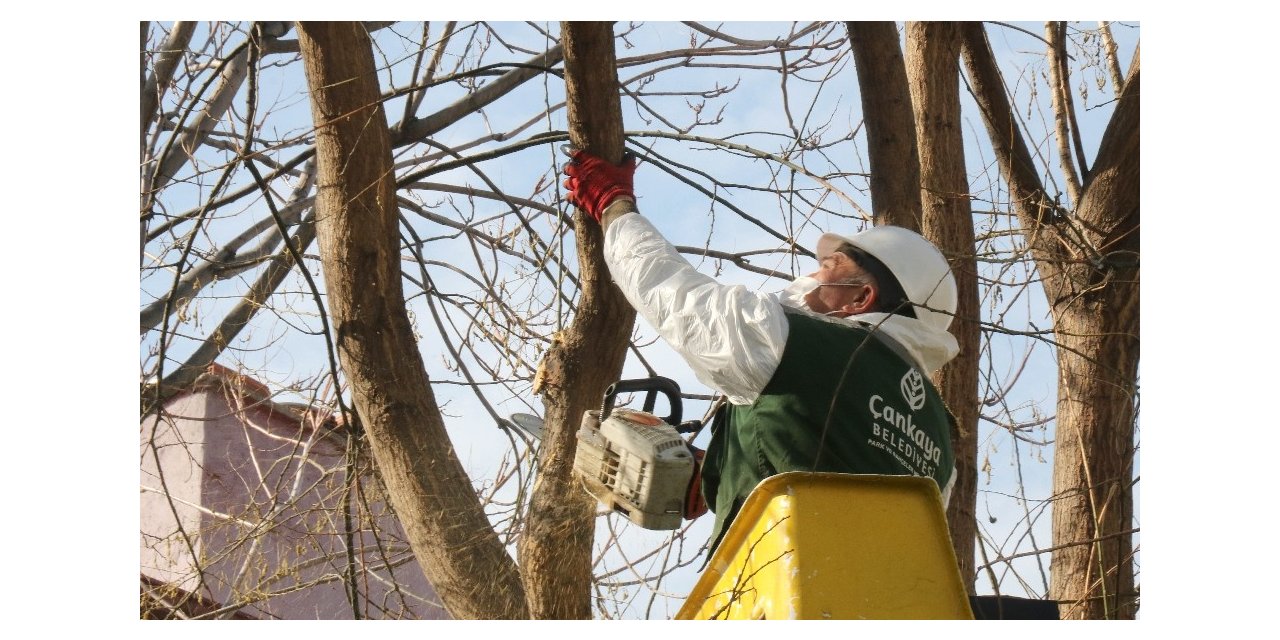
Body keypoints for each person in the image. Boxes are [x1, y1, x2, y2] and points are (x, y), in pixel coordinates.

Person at [563, 148, 960, 554]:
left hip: (775, 590)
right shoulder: (942, 443)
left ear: (860, 298)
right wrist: (720, 473)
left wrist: (612, 204)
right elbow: (832, 470)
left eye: (830, 266)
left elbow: (671, 292)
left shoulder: (797, 345)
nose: (811, 275)